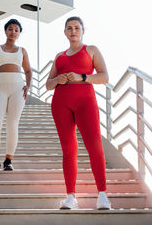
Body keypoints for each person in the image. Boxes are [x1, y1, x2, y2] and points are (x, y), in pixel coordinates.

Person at [46, 16, 111, 210]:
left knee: (94, 146)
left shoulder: (91, 50)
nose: (73, 31)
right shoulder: (59, 56)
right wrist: (58, 79)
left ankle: (102, 195)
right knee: (68, 150)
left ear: (83, 30)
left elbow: (104, 77)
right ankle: (71, 197)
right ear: (65, 32)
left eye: (76, 28)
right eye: (69, 28)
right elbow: (48, 85)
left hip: (85, 102)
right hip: (60, 103)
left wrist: (82, 76)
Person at [0, 19, 32, 171]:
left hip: (18, 88)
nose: (13, 32)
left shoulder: (22, 50)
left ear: (19, 33)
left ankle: (8, 161)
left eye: (16, 30)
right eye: (10, 29)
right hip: (0, 87)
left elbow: (28, 71)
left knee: (13, 124)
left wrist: (28, 86)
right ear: (5, 31)